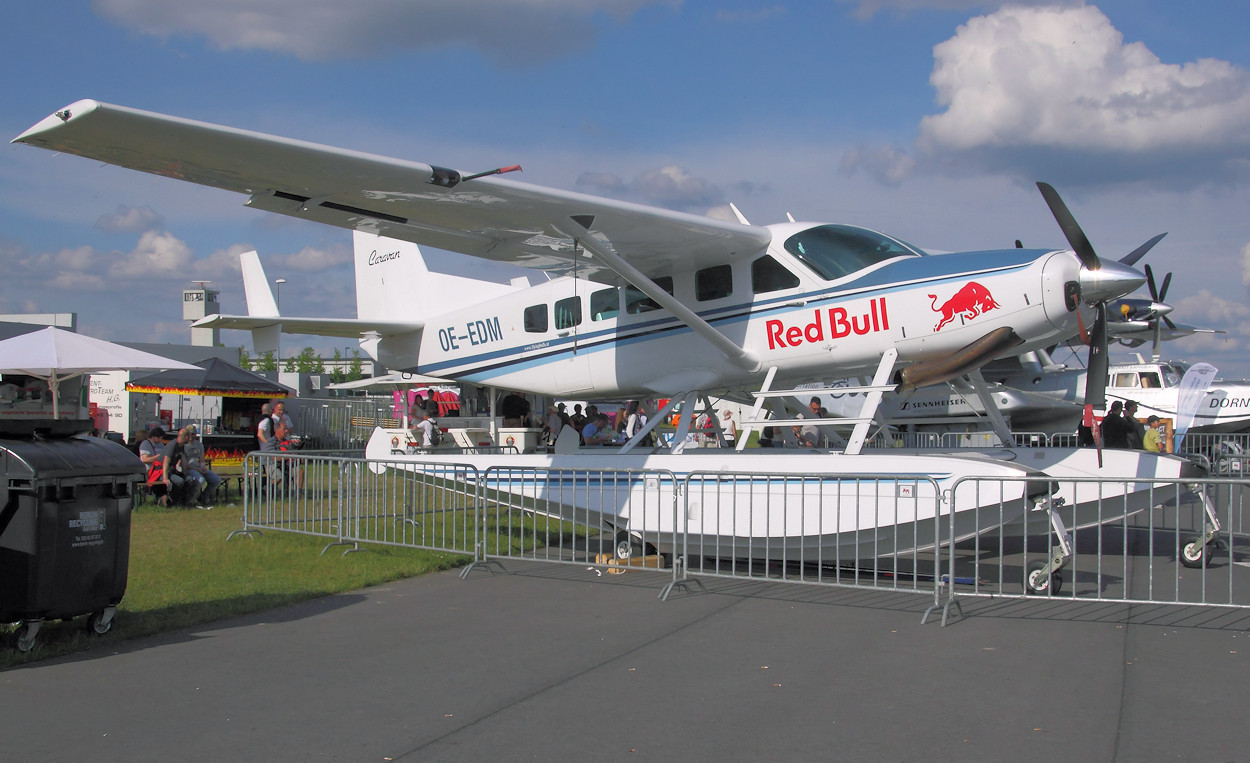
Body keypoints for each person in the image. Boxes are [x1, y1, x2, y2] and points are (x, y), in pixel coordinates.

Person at [181, 425, 222, 507]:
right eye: (188, 434)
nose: (191, 436)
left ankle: (204, 496)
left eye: (192, 434)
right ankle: (190, 501)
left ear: (195, 434)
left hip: (198, 468)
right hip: (187, 469)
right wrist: (197, 469)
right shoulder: (182, 445)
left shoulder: (199, 445)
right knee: (201, 480)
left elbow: (201, 459)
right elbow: (183, 464)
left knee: (216, 480)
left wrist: (202, 467)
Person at [139, 427, 172, 505]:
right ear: (153, 436)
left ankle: (165, 497)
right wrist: (158, 457)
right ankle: (162, 497)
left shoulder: (160, 444)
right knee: (163, 478)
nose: (160, 440)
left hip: (160, 468)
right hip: (149, 470)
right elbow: (145, 459)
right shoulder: (145, 444)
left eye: (161, 438)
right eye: (158, 437)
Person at [161, 429, 192, 506]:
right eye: (189, 437)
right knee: (179, 481)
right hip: (161, 471)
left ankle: (184, 501)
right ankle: (172, 501)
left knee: (189, 479)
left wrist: (185, 474)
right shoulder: (172, 445)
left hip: (171, 470)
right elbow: (165, 463)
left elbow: (183, 461)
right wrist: (165, 478)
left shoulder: (181, 446)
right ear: (186, 437)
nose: (190, 439)